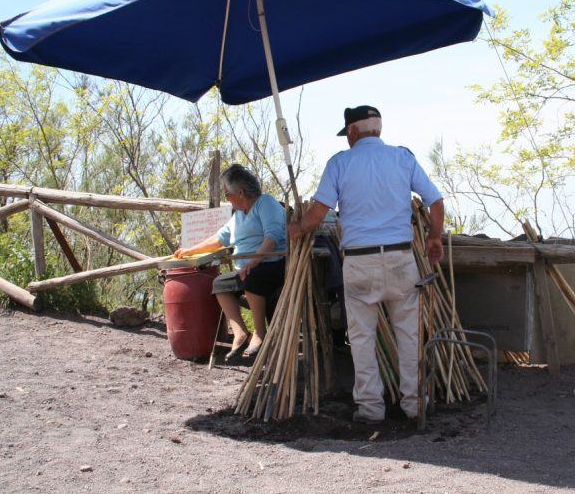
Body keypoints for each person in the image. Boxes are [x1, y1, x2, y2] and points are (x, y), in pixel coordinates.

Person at [289, 105, 444, 423]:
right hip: (400, 259)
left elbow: (318, 214)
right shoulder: (403, 158)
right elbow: (436, 201)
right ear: (378, 129)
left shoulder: (340, 163)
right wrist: (434, 237)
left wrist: (297, 229)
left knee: (361, 338)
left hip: (360, 261)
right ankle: (414, 405)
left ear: (353, 131)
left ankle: (371, 409)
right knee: (409, 336)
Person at [174, 164, 286, 362]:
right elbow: (219, 239)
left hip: (271, 265)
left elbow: (273, 237)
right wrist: (190, 250)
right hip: (247, 269)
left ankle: (260, 333)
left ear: (240, 193)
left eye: (227, 194)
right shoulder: (237, 216)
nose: (227, 199)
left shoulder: (265, 203)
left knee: (251, 277)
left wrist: (254, 261)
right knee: (219, 284)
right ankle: (241, 333)